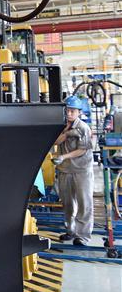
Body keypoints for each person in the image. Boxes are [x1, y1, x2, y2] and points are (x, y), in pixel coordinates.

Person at [52, 96, 93, 246]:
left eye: (72, 111)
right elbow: (55, 141)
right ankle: (70, 230)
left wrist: (63, 156)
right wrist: (66, 133)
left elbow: (82, 150)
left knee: (84, 202)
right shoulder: (62, 126)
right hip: (65, 170)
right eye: (67, 110)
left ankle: (83, 236)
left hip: (81, 170)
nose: (69, 113)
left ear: (78, 112)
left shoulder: (83, 128)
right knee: (68, 203)